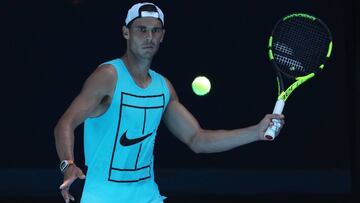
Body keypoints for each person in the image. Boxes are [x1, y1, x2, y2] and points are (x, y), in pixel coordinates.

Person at [54, 2, 285, 203]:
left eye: (155, 31)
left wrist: (256, 131)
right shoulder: (107, 76)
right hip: (103, 199)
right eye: (141, 29)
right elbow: (65, 123)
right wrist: (68, 164)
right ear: (126, 32)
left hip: (147, 197)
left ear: (162, 36)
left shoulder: (163, 87)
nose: (149, 37)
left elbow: (198, 139)